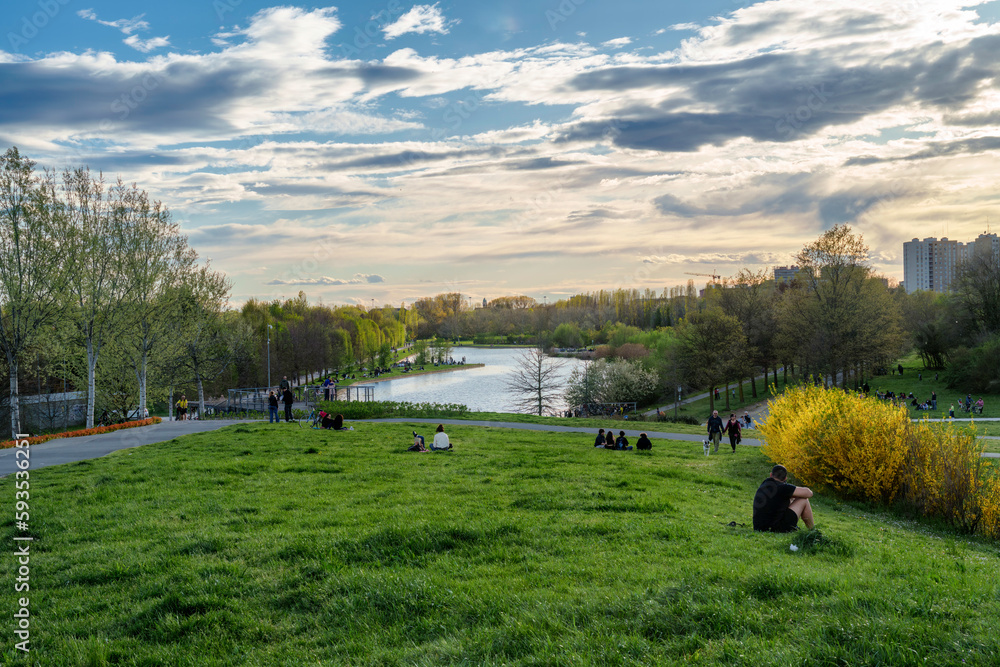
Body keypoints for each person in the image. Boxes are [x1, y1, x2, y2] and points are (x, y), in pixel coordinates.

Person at [753, 464, 815, 533]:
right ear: (785, 478)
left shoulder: (764, 484)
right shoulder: (783, 487)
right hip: (775, 529)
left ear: (771, 475)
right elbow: (809, 493)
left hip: (759, 527)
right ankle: (812, 530)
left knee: (791, 498)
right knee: (804, 500)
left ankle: (804, 528)